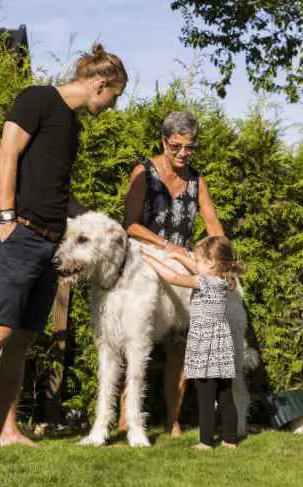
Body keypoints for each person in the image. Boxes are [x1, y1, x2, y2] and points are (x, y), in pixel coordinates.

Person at [0, 44, 127, 460]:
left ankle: (7, 428)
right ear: (100, 84)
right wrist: (6, 216)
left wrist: (100, 221)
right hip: (21, 234)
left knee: (23, 339)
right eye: (115, 96)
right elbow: (6, 154)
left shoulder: (72, 126)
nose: (113, 106)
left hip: (52, 242)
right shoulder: (37, 100)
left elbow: (56, 192)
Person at [123, 111, 225, 435]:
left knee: (178, 348)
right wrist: (165, 245)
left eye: (189, 147)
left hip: (181, 272)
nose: (183, 154)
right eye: (176, 146)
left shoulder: (197, 181)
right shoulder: (144, 173)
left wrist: (223, 262)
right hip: (144, 266)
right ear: (163, 141)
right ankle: (127, 417)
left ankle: (173, 419)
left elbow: (213, 227)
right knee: (135, 343)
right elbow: (130, 225)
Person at [141, 236, 244, 449]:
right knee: (224, 394)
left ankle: (206, 442)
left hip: (205, 346)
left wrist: (149, 259)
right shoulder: (224, 281)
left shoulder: (204, 282)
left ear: (211, 263)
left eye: (198, 260)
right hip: (221, 346)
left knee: (205, 396)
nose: (195, 264)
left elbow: (173, 277)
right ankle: (230, 439)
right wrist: (180, 256)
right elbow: (198, 269)